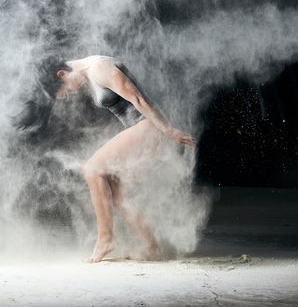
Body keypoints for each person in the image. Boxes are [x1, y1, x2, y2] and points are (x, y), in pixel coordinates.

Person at [18, 54, 196, 263]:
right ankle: (152, 248)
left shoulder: (99, 68)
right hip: (142, 130)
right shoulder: (90, 73)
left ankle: (105, 239)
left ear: (62, 74)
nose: (69, 94)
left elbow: (138, 98)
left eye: (64, 91)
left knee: (92, 170)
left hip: (149, 128)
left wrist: (168, 130)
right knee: (119, 195)